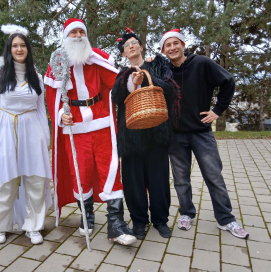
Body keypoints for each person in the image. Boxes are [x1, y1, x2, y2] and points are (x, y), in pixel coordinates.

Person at [45, 18, 137, 245]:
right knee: (80, 173)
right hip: (74, 130)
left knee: (111, 171)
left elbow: (116, 83)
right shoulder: (58, 62)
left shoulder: (98, 59)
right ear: (66, 37)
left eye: (81, 32)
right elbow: (52, 97)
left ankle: (116, 224)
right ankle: (86, 217)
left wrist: (132, 81)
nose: (77, 36)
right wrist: (59, 115)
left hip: (102, 125)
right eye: (73, 32)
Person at [160, 29, 249, 239]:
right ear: (163, 50)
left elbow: (228, 82)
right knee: (181, 179)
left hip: (201, 133)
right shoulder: (163, 69)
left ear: (183, 45)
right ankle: (186, 213)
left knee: (214, 176)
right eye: (167, 45)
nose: (172, 48)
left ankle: (226, 219)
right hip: (175, 135)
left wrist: (217, 111)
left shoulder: (202, 63)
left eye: (175, 43)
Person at [0, 24, 52, 244]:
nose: (19, 49)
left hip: (33, 131)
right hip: (5, 130)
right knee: (7, 181)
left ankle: (34, 226)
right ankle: (1, 226)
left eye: (23, 45)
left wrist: (46, 137)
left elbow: (41, 109)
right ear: (9, 48)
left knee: (35, 180)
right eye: (15, 45)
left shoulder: (36, 76)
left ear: (28, 49)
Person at [111, 28, 181, 239]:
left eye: (134, 42)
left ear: (141, 46)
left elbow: (171, 90)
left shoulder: (158, 65)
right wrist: (132, 81)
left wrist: (148, 79)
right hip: (131, 136)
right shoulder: (122, 73)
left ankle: (160, 220)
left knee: (159, 179)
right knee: (133, 182)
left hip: (157, 132)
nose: (131, 46)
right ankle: (139, 221)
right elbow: (115, 98)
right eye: (126, 46)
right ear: (123, 53)